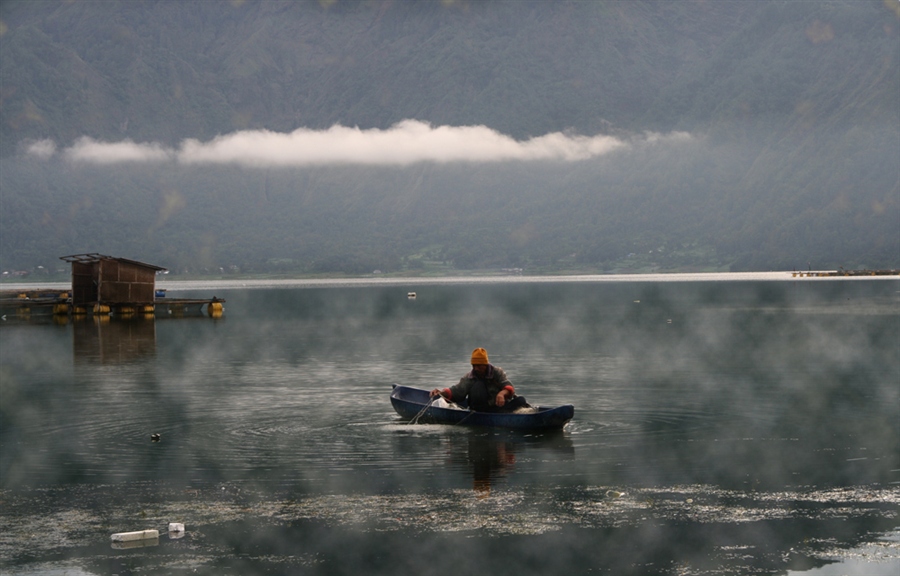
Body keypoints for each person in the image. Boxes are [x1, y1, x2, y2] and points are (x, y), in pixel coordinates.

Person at [430, 348, 529, 413]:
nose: (476, 368)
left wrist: (502, 394)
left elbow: (508, 386)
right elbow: (456, 391)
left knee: (521, 400)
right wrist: (441, 393)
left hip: (498, 408)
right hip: (480, 410)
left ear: (485, 364)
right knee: (478, 386)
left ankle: (502, 415)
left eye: (479, 365)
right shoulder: (470, 377)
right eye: (474, 365)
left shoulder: (497, 372)